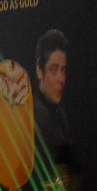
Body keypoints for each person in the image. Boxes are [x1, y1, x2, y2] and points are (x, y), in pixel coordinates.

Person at [33, 30, 71, 165]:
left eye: (63, 70)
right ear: (39, 70)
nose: (61, 79)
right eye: (54, 70)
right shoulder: (35, 115)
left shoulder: (59, 113)